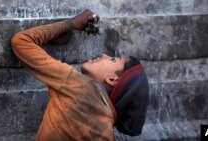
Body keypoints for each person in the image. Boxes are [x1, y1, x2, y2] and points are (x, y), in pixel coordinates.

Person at [11, 9, 149, 141]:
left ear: (112, 79)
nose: (104, 55)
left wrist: (70, 24)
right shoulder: (107, 128)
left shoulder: (78, 86)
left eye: (113, 59)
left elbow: (21, 41)